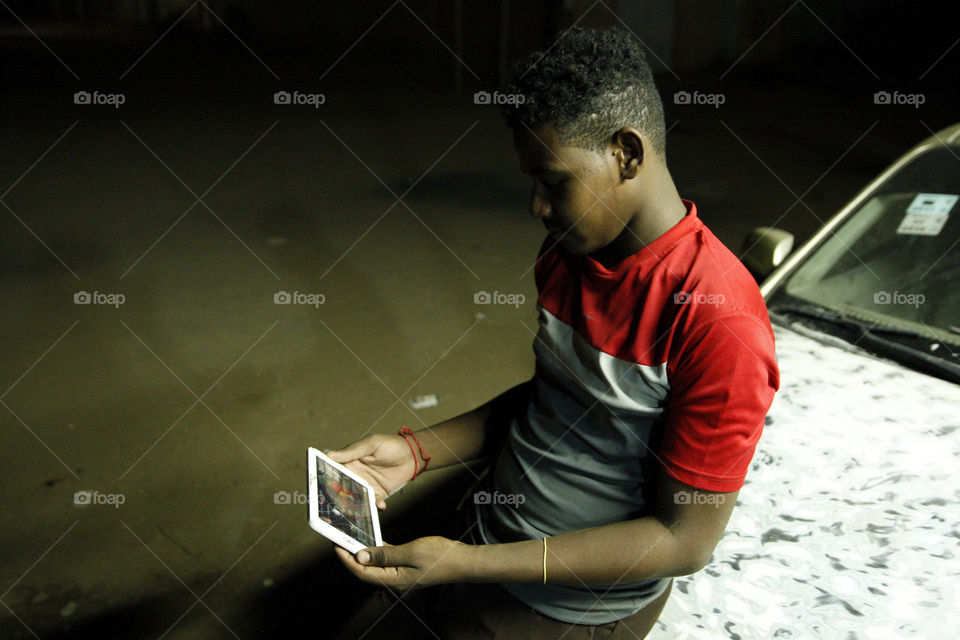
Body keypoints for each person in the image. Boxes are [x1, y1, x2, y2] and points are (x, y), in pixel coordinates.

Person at [327, 25, 780, 640]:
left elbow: (682, 541)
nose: (537, 207)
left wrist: (467, 565)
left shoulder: (718, 322)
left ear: (627, 152)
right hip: (488, 543)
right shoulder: (569, 253)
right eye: (531, 182)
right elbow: (554, 403)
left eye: (554, 181)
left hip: (569, 612)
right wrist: (416, 452)